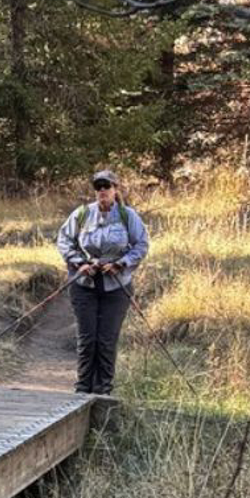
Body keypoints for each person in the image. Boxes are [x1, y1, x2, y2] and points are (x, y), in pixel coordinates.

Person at [55, 168, 149, 397]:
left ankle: (103, 391)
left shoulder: (129, 216)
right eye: (98, 187)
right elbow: (64, 240)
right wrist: (80, 263)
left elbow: (141, 245)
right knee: (87, 339)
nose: (102, 191)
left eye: (106, 186)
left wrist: (121, 263)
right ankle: (82, 390)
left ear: (116, 189)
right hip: (84, 285)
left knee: (106, 340)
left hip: (117, 286)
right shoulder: (82, 214)